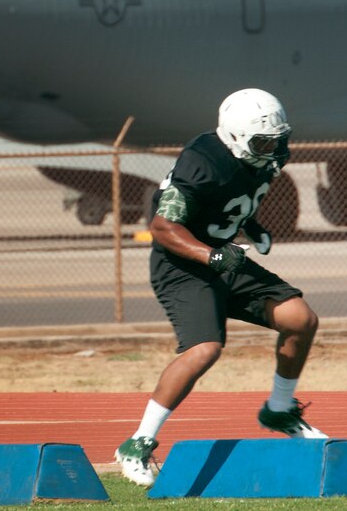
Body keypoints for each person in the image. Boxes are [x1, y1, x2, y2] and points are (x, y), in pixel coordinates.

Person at [114, 88, 324, 488]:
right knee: (205, 349)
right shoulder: (201, 161)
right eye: (263, 141)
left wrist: (249, 223)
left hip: (225, 254)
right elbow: (161, 227)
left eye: (278, 139)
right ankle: (138, 442)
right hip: (182, 265)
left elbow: (237, 196)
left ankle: (278, 410)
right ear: (234, 137)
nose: (274, 148)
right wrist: (211, 256)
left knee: (300, 318)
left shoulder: (269, 153)